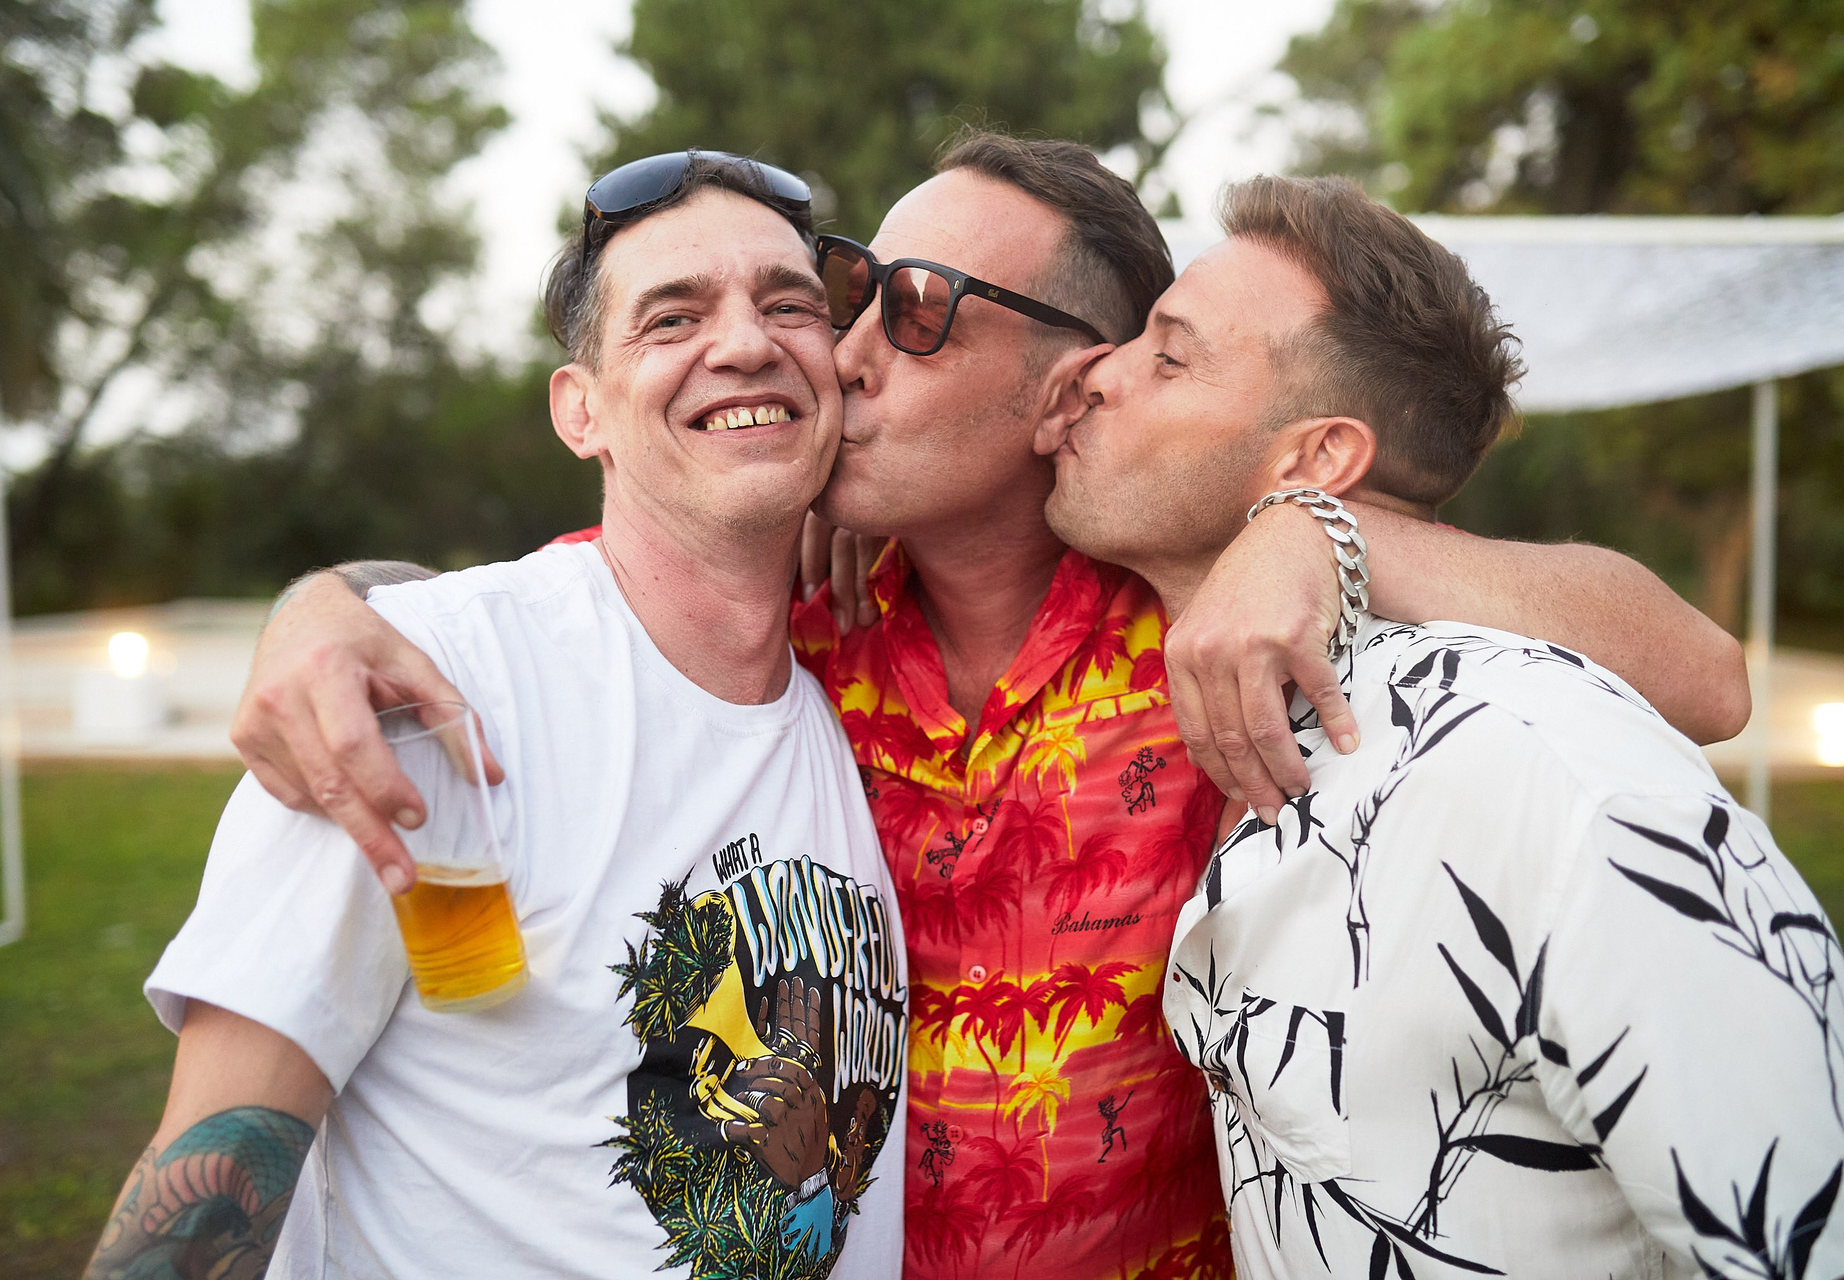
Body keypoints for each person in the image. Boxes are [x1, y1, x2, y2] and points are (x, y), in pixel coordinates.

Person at [231, 134, 1750, 1279]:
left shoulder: (1214, 620)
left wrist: (1318, 531)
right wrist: (327, 606)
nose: (843, 353)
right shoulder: (785, 618)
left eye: (916, 311)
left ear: (1074, 383)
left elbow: (1704, 674)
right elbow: (545, 609)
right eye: (855, 295)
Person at [83, 154, 908, 1279]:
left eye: (789, 305)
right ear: (581, 411)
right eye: (672, 317)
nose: (746, 343)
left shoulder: (855, 698)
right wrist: (323, 602)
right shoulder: (422, 690)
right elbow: (208, 1176)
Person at [1048, 173, 1844, 1276]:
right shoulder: (1207, 689)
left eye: (1169, 355)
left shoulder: (1537, 768)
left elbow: (1803, 1223)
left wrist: (1315, 530)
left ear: (1318, 462)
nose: (1098, 371)